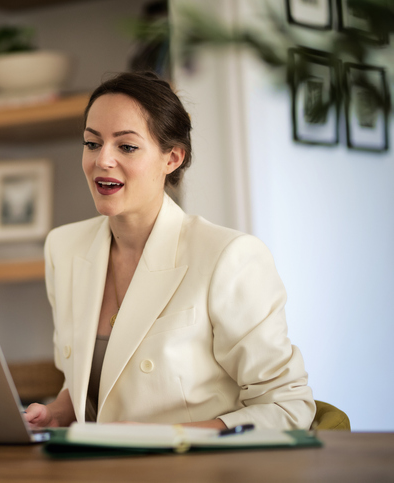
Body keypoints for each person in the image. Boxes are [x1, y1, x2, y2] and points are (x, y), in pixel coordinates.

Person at [24, 71, 315, 430]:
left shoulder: (230, 257)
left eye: (126, 146)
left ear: (172, 158)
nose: (102, 160)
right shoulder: (63, 247)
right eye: (92, 143)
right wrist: (56, 411)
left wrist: (160, 437)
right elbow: (92, 381)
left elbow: (287, 407)